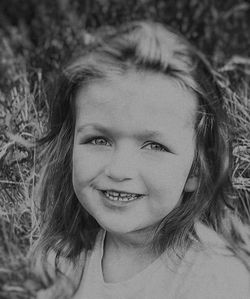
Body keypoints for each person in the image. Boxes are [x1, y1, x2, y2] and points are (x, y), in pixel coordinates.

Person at [32, 21, 250, 298]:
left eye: (155, 146)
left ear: (196, 168)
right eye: (99, 140)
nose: (119, 169)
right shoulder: (67, 257)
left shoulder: (215, 281)